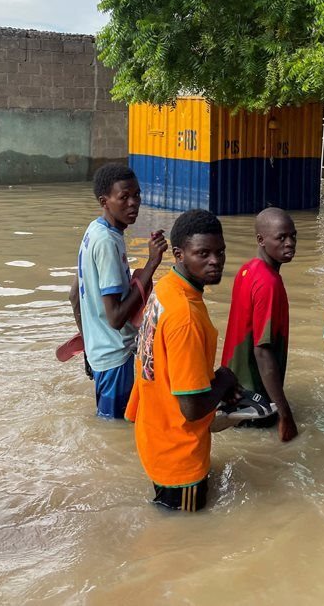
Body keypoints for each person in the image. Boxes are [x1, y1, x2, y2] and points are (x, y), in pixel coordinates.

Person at [124, 209, 238, 512]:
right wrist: (225, 380)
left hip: (154, 435)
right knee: (186, 542)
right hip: (180, 457)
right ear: (179, 254)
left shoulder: (165, 289)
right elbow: (192, 408)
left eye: (220, 252)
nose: (215, 261)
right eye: (203, 253)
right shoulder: (185, 316)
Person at [69, 164, 167, 418]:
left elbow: (74, 294)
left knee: (108, 427)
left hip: (101, 354)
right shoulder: (107, 243)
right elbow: (116, 318)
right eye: (124, 197)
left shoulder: (95, 230)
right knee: (116, 430)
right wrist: (151, 264)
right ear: (105, 201)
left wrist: (88, 346)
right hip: (116, 358)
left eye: (137, 195)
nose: (133, 203)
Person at [221, 207, 299, 442]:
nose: (290, 243)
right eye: (281, 237)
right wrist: (285, 414)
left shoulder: (247, 270)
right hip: (254, 400)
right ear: (261, 240)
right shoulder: (269, 283)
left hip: (234, 390)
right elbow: (262, 351)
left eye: (293, 236)